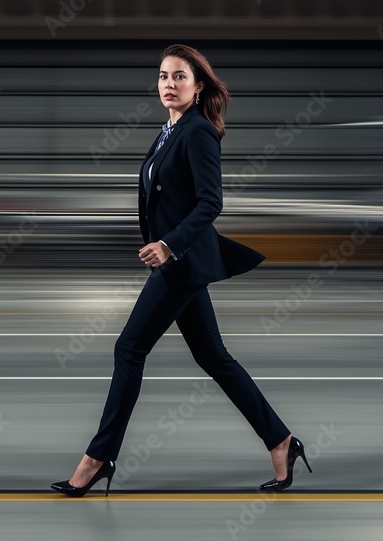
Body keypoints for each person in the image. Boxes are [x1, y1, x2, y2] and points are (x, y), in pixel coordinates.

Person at [50, 44, 312, 497]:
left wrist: (168, 245)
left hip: (181, 261)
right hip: (182, 262)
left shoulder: (198, 132)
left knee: (129, 348)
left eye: (179, 77)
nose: (168, 84)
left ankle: (98, 458)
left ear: (199, 85)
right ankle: (281, 441)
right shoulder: (169, 131)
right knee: (213, 357)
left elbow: (211, 203)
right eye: (163, 76)